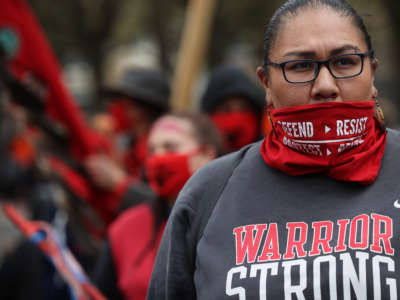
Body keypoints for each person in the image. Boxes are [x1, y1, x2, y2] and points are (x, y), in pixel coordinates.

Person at [147, 1, 400, 299]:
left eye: (345, 62)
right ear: (266, 83)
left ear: (372, 72)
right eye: (300, 66)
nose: (325, 85)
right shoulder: (208, 192)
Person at [93, 112, 224, 300]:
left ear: (206, 155)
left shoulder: (233, 221)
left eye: (170, 147)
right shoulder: (125, 228)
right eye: (152, 151)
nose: (158, 158)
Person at [200, 65, 265, 153]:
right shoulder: (194, 162)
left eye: (244, 109)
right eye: (226, 109)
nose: (237, 117)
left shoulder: (270, 161)